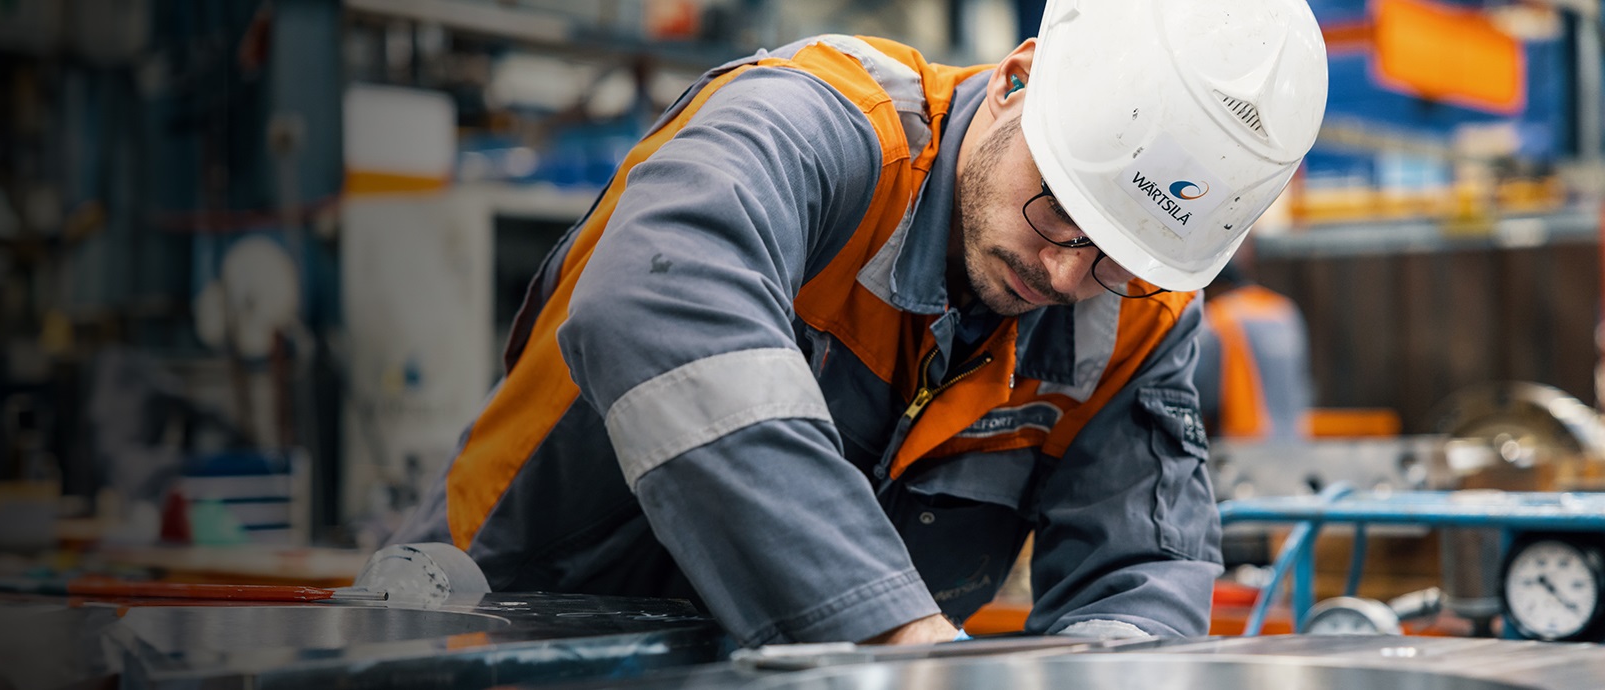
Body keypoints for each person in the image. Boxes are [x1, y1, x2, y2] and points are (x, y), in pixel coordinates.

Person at [392, 0, 1329, 646]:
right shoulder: (810, 128)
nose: (1063, 271)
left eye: (1114, 257)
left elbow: (1142, 577)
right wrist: (891, 636)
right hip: (507, 640)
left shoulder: (1135, 309)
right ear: (1017, 80)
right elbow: (649, 310)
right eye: (1058, 209)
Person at [1195, 259, 1314, 441]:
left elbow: (1203, 388)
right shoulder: (1284, 310)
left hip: (1241, 440)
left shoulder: (1220, 316)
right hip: (1293, 436)